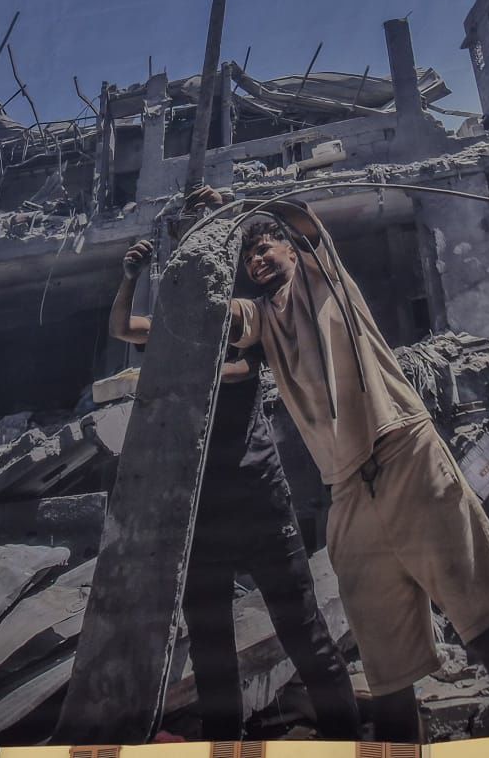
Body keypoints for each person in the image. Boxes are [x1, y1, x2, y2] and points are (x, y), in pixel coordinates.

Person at [208, 190, 489, 743]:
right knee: (387, 676)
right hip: (346, 491)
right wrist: (210, 229)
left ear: (294, 251)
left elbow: (301, 217)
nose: (258, 259)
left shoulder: (327, 282)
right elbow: (213, 311)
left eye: (266, 244)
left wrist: (251, 200)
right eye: (248, 256)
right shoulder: (259, 319)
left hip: (405, 456)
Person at [109, 235, 360, 740]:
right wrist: (130, 277)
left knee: (303, 629)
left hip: (259, 499)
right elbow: (120, 327)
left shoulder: (250, 327)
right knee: (210, 644)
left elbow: (231, 371)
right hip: (200, 510)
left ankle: (349, 740)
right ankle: (227, 745)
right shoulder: (179, 334)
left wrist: (170, 369)